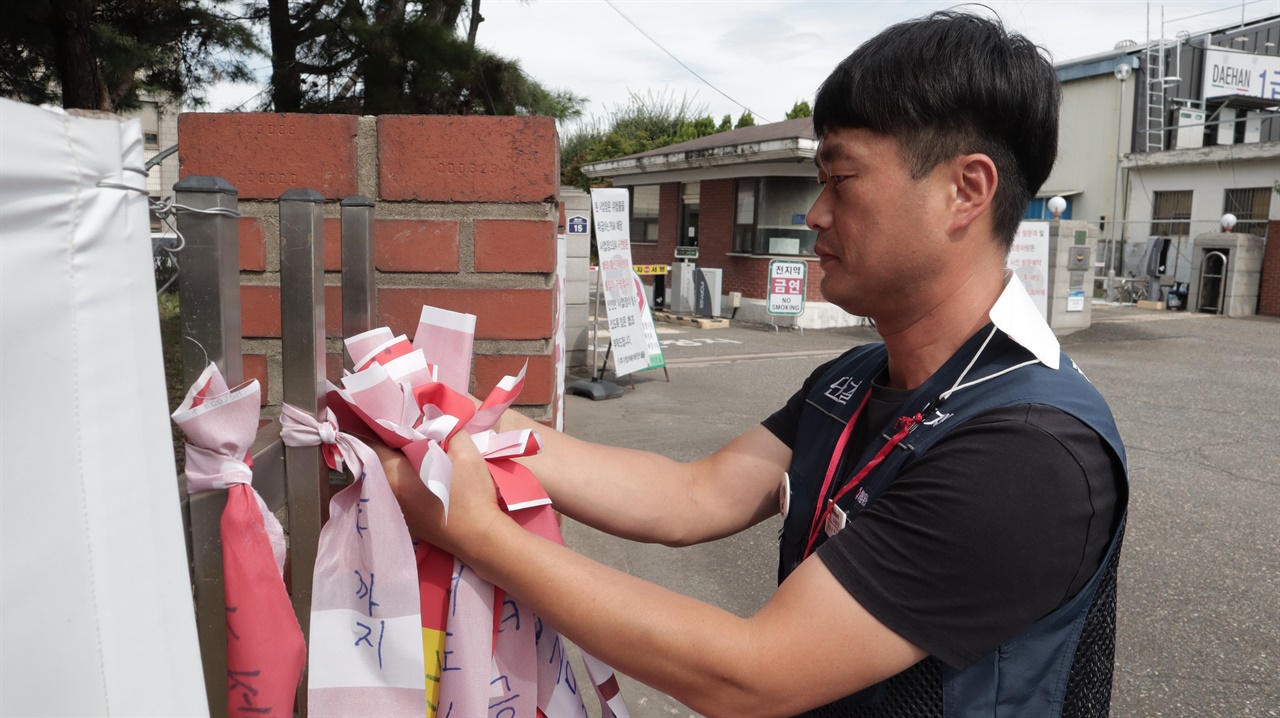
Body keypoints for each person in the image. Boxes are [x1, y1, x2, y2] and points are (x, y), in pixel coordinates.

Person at [382, 10, 1128, 717]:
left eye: (842, 179)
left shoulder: (1029, 450)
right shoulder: (855, 378)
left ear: (965, 191)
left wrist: (475, 532)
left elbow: (754, 673)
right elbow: (692, 495)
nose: (816, 214)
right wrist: (476, 427)